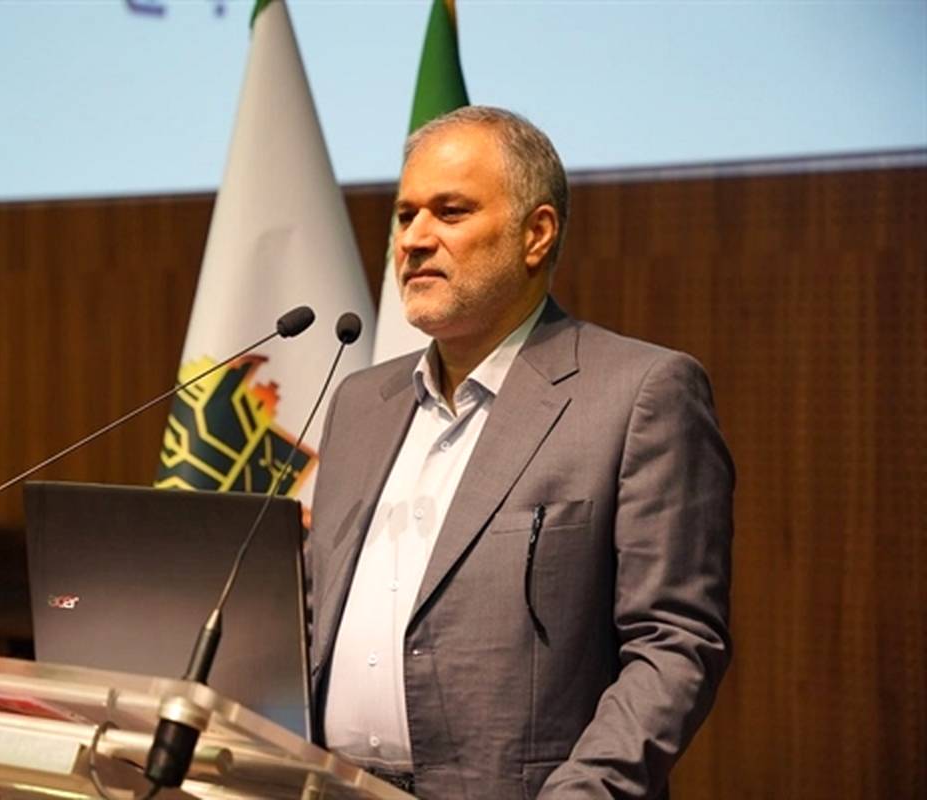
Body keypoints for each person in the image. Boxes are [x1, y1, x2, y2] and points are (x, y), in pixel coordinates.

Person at [307, 106, 733, 799]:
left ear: (536, 234)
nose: (413, 239)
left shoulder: (639, 394)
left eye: (450, 212)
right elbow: (313, 615)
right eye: (404, 215)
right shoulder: (360, 403)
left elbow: (675, 643)